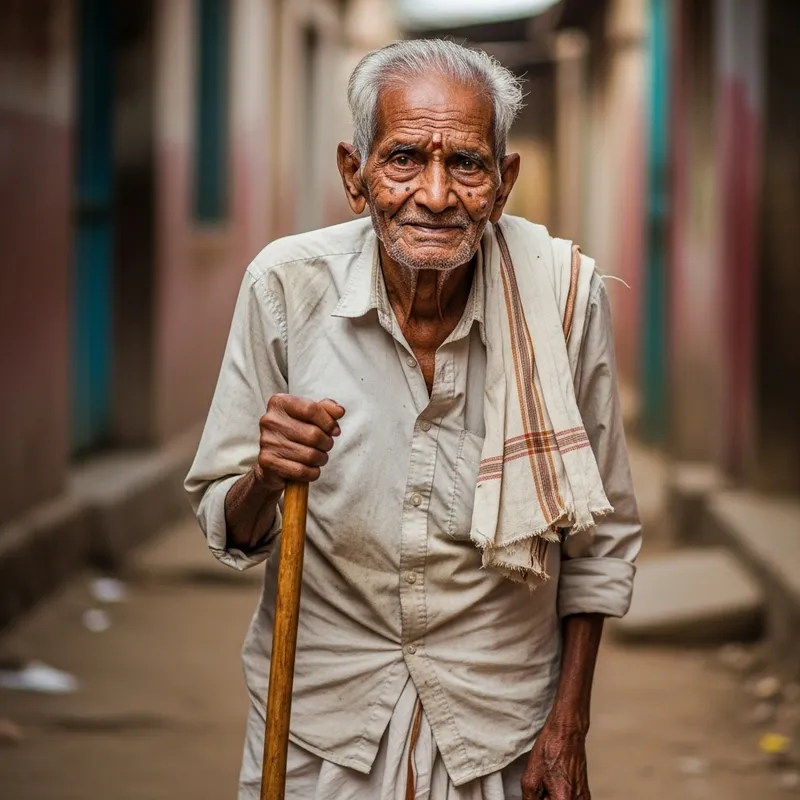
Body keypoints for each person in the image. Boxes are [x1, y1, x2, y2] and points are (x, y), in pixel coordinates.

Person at [186, 39, 641, 800]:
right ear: (354, 176)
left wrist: (569, 727)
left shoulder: (564, 300)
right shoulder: (285, 289)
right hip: (326, 718)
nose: (435, 193)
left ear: (504, 183)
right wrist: (265, 477)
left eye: (466, 163)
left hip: (501, 718)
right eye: (403, 159)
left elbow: (600, 542)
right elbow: (225, 524)